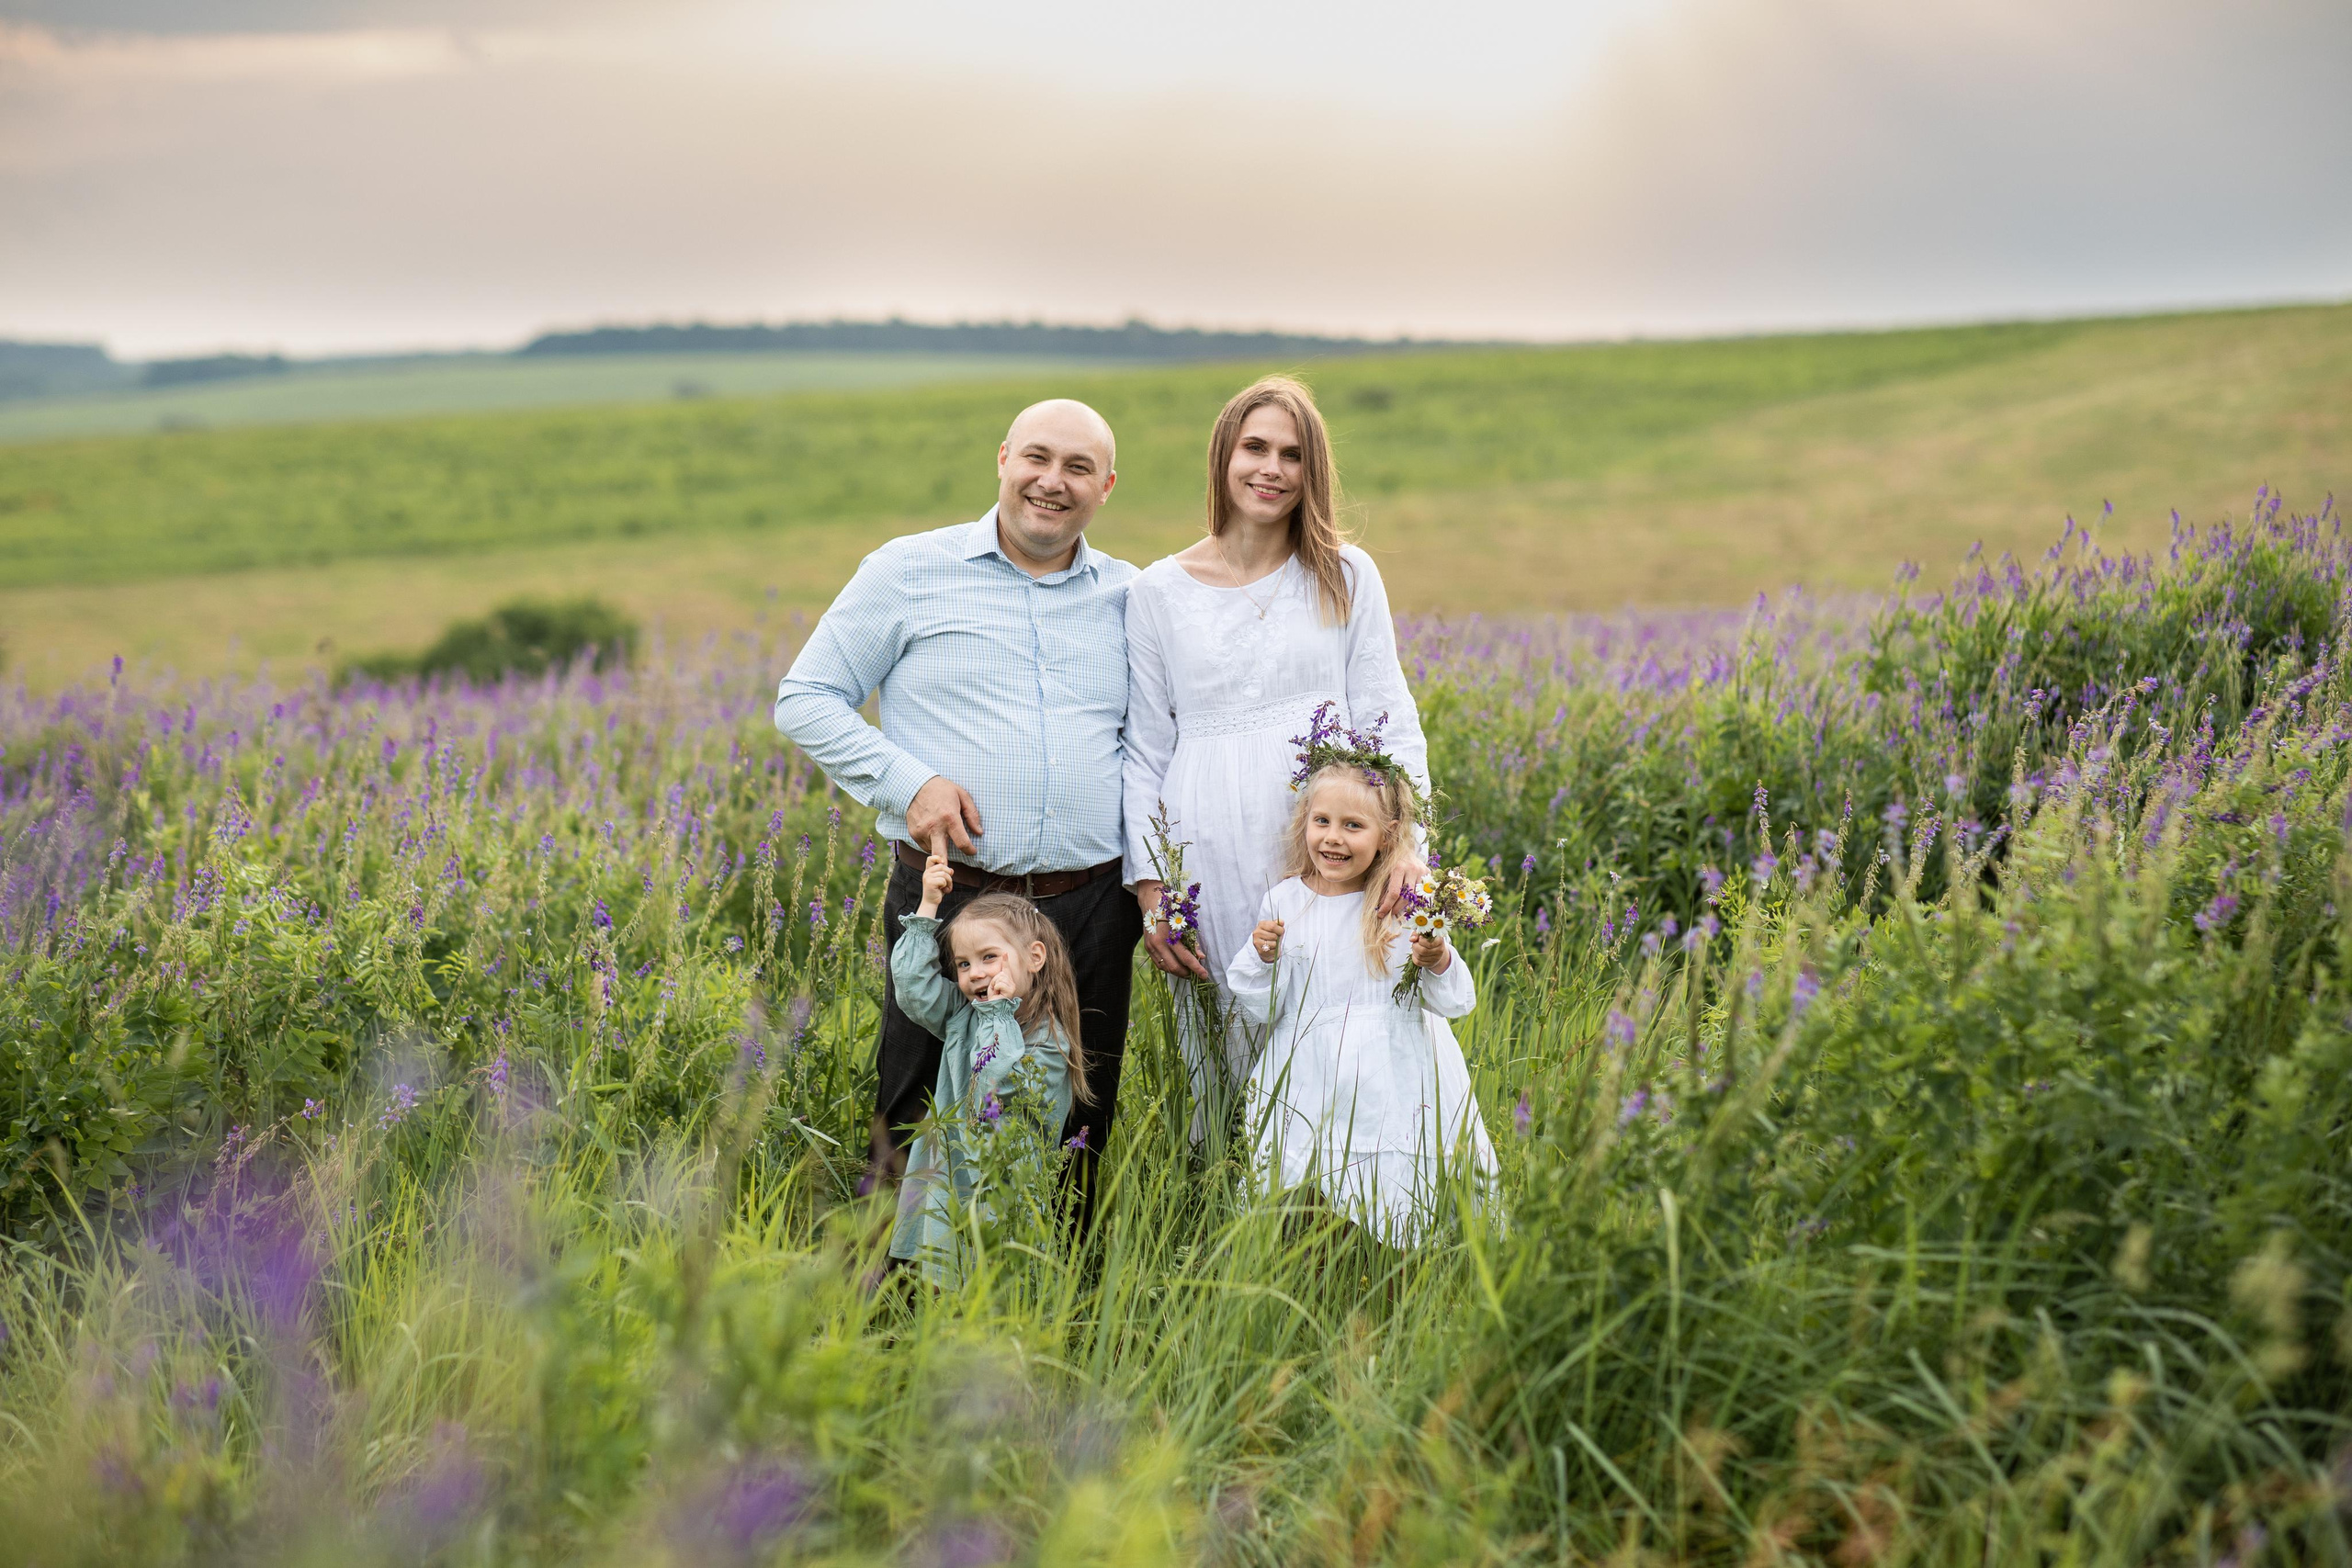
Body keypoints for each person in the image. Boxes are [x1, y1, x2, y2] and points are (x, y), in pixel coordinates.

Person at [774, 400, 1141, 1211]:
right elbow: (807, 697)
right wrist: (910, 783)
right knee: (915, 1106)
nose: (1053, 482)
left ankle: (1059, 1303)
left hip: (1091, 904)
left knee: (1079, 1112)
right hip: (953, 897)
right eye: (1037, 458)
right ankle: (898, 1313)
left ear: (1106, 487)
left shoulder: (1132, 597)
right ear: (1003, 458)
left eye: (1079, 468)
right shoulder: (910, 568)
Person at [1124, 375, 1426, 1142]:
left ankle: (1345, 1209)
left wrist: (1408, 849)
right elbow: (1144, 748)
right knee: (1227, 1028)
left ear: (1312, 470)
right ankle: (1226, 1202)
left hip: (1330, 844)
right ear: (1224, 454)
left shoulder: (1346, 574)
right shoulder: (1158, 589)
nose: (1272, 468)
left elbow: (1386, 715)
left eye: (1293, 454)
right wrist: (1153, 890)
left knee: (1341, 1027)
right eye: (1255, 447)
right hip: (1205, 841)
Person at [1226, 758, 1496, 1242]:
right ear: (1303, 820)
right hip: (1310, 1072)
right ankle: (1315, 1268)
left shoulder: (1403, 905)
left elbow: (1453, 1002)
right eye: (1322, 821)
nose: (1333, 838)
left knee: (1394, 1189)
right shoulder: (1285, 901)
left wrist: (1435, 957)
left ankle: (1395, 1267)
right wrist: (1264, 955)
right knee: (1304, 1194)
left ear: (1387, 836)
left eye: (1353, 826)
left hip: (1393, 1073)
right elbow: (1264, 1008)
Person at [888, 850, 1088, 1286]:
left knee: (998, 1283)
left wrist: (998, 1017)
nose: (975, 974)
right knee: (946, 1279)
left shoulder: (1050, 1041)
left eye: (989, 958)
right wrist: (927, 907)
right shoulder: (965, 1016)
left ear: (1035, 958)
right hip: (951, 1170)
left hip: (1003, 1181)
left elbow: (993, 1086)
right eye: (963, 964)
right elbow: (913, 991)